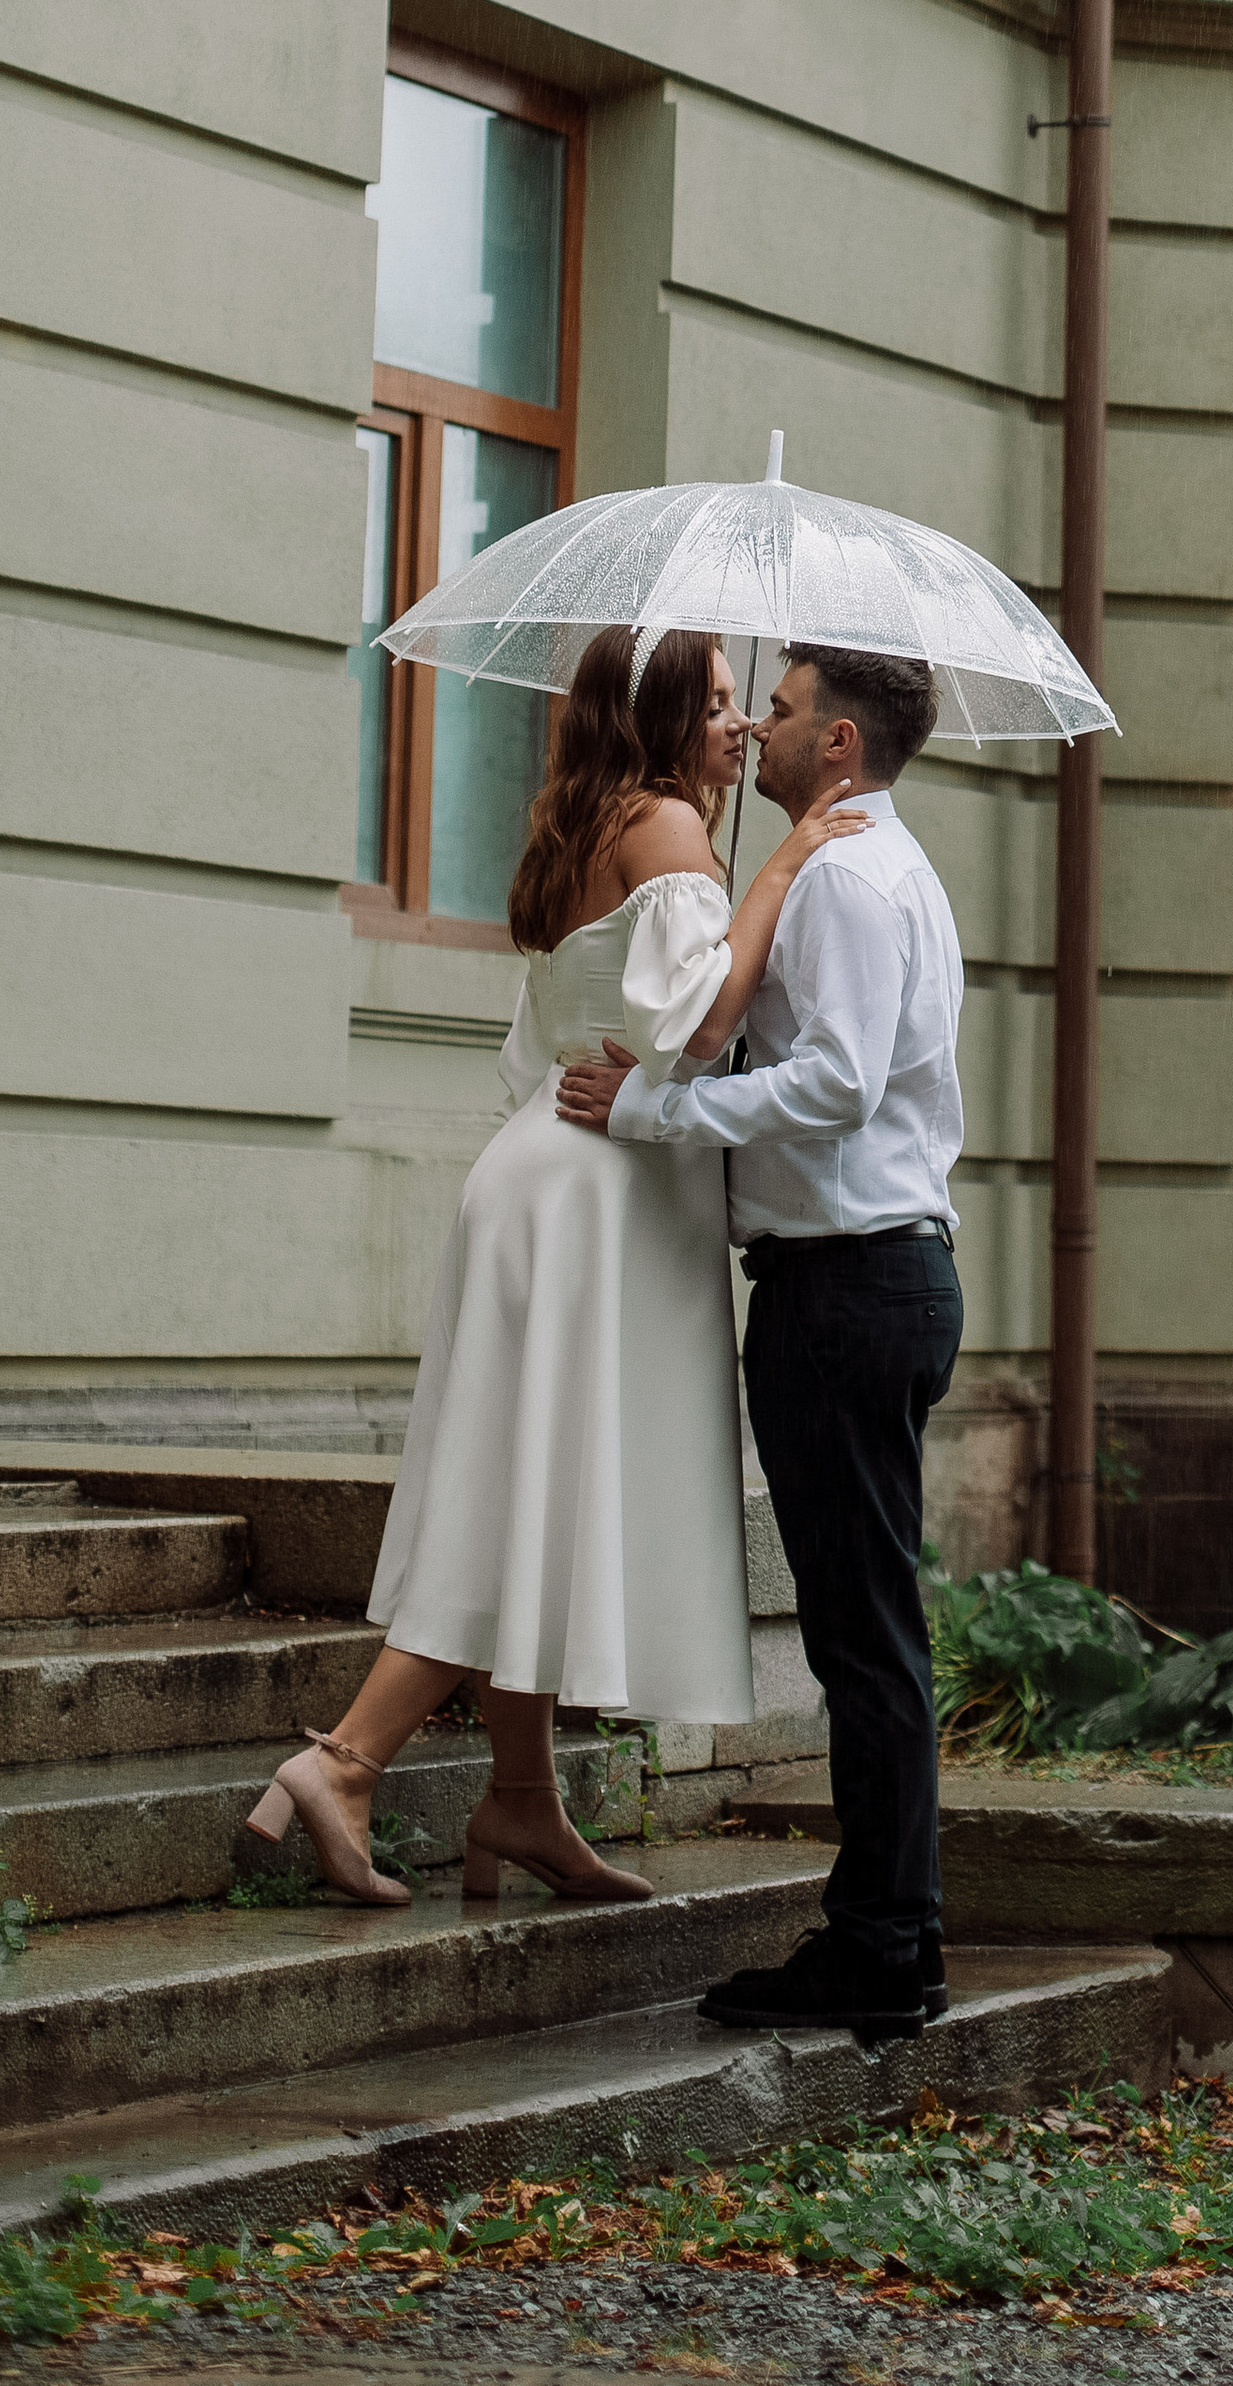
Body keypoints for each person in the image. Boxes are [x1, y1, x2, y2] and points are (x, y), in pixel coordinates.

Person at [238, 627, 862, 1908]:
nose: (741, 730)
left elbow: (551, 1047)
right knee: (523, 1493)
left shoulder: (582, 822)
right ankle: (345, 1761)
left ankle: (520, 1803)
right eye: (724, 705)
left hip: (539, 1170)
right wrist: (788, 862)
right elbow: (696, 1025)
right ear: (668, 715)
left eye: (749, 707)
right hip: (597, 1193)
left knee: (531, 1483)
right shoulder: (670, 832)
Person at [557, 642, 963, 2040]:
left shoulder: (846, 874)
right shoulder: (879, 861)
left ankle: (881, 1946)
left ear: (837, 740)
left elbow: (839, 1083)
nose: (761, 729)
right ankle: (893, 1936)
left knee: (865, 1640)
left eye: (779, 712)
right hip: (873, 1279)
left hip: (847, 1289)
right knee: (873, 1631)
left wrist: (653, 1113)